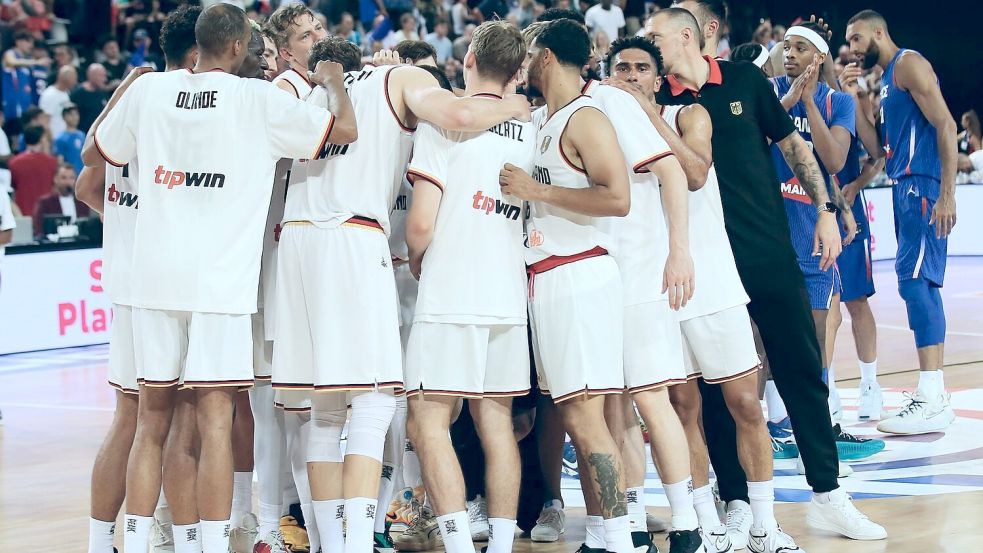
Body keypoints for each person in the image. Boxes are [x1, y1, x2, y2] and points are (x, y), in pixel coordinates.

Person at [82, 5, 358, 553]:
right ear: (235, 48)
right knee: (213, 422)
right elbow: (342, 130)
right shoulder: (258, 100)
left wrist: (128, 88)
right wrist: (333, 80)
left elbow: (97, 154)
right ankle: (209, 543)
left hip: (152, 281)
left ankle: (133, 542)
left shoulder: (149, 92)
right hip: (219, 287)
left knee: (149, 420)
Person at [271, 32, 528, 553]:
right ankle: (360, 543)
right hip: (353, 234)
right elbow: (458, 115)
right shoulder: (402, 79)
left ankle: (328, 542)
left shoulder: (314, 92)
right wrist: (516, 102)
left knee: (323, 409)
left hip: (294, 240)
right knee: (374, 401)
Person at [648, 7, 887, 542]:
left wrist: (826, 210)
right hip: (706, 266)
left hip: (769, 253)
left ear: (690, 34)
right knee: (719, 389)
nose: (648, 41)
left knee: (802, 369)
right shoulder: (654, 98)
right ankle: (735, 501)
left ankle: (827, 493)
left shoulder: (743, 80)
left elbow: (793, 147)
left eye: (657, 34)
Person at [603, 34, 810, 553]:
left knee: (745, 403)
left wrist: (647, 116)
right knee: (682, 408)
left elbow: (695, 173)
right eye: (621, 68)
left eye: (641, 68)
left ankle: (764, 523)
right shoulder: (600, 134)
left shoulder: (689, 114)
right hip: (653, 290)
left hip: (711, 280)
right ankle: (705, 524)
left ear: (658, 77)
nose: (631, 76)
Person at [500, 18, 639, 553]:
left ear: (549, 57)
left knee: (587, 419)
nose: (524, 59)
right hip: (554, 277)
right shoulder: (546, 118)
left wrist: (538, 190)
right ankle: (603, 535)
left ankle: (621, 539)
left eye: (531, 50)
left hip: (577, 273)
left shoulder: (586, 118)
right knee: (584, 419)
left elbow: (617, 198)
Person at [401, 21, 533, 553]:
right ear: (519, 70)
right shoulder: (531, 126)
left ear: (469, 57)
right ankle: (500, 545)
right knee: (496, 423)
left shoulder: (442, 126)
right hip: (506, 293)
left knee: (428, 420)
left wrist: (416, 260)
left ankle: (457, 544)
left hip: (452, 289)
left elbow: (420, 226)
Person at [75, 9, 202, 553]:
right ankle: (175, 534)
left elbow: (86, 181)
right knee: (184, 418)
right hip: (172, 283)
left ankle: (104, 542)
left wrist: (124, 221)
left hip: (128, 283)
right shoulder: (182, 108)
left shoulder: (137, 96)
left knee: (130, 417)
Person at [845, 10, 958, 435]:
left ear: (879, 31)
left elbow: (946, 124)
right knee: (914, 282)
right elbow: (879, 150)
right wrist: (856, 102)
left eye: (857, 39)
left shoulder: (909, 64)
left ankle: (932, 395)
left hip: (923, 185)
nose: (852, 48)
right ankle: (932, 393)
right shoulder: (888, 80)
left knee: (917, 283)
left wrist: (947, 192)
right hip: (903, 185)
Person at [10, 125, 57, 215]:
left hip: (22, 214)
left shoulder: (14, 163)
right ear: (42, 139)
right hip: (46, 214)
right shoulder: (52, 163)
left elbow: (13, 190)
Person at [33, 162, 89, 237]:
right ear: (55, 179)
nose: (68, 182)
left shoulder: (82, 202)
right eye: (64, 178)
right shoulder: (45, 202)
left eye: (71, 178)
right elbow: (38, 230)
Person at [2, 31, 45, 121]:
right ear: (18, 41)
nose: (31, 45)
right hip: (12, 104)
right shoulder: (10, 53)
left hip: (25, 104)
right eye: (28, 42)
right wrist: (36, 62)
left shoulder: (27, 60)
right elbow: (11, 62)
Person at [39, 65, 78, 138]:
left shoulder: (66, 93)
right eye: (74, 78)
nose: (75, 82)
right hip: (55, 140)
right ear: (66, 78)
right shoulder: (50, 95)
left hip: (65, 139)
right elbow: (44, 122)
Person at [70, 64, 110, 133]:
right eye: (102, 76)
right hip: (84, 136)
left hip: (100, 135)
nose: (105, 79)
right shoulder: (78, 94)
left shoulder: (103, 92)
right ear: (92, 76)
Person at [53, 104, 86, 174]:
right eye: (71, 115)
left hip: (83, 174)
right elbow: (60, 161)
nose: (75, 117)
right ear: (64, 117)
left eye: (76, 114)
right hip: (71, 176)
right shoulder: (60, 138)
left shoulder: (82, 135)